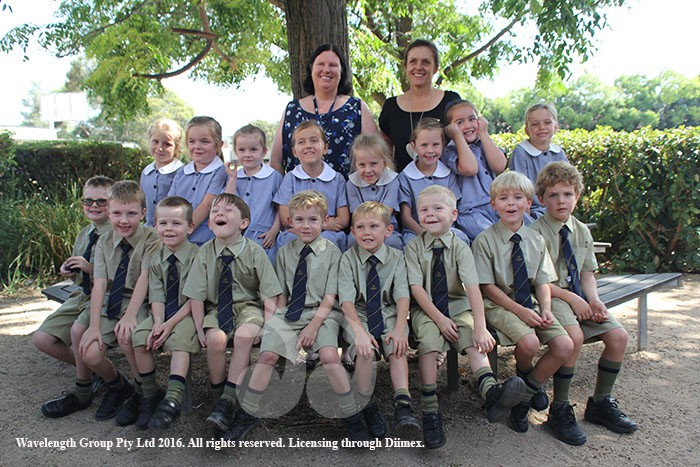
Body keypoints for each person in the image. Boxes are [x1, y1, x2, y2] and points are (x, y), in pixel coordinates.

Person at [224, 191, 369, 442]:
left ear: (324, 221)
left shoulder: (333, 253)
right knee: (268, 355)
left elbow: (330, 297)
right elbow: (279, 294)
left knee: (327, 356)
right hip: (290, 311)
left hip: (322, 314)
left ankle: (352, 416)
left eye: (313, 219)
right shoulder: (284, 252)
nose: (306, 225)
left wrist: (312, 327)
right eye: (299, 219)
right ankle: (247, 414)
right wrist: (272, 325)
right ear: (290, 222)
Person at [405, 185, 526, 449]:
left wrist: (480, 326)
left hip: (458, 305)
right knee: (428, 344)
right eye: (424, 210)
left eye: (438, 208)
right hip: (427, 309)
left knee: (473, 338)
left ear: (454, 214)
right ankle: (430, 410)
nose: (430, 214)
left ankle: (491, 392)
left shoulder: (461, 247)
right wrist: (438, 319)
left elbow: (472, 287)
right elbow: (416, 288)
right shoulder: (413, 248)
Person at [530, 162, 638, 445]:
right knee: (574, 337)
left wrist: (595, 300)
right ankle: (560, 408)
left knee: (618, 336)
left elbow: (587, 273)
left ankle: (601, 402)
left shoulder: (580, 230)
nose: (561, 201)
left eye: (567, 194)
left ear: (577, 196)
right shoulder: (535, 232)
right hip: (551, 295)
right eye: (553, 195)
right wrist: (574, 299)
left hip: (579, 295)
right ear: (541, 199)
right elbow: (537, 282)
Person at [41, 181, 161, 422]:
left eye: (131, 214)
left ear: (143, 213)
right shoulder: (105, 241)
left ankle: (145, 392)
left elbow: (145, 279)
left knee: (128, 336)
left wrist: (129, 316)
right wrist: (94, 326)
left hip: (137, 301)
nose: (123, 220)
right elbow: (100, 285)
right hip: (108, 301)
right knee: (89, 352)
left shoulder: (151, 238)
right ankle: (119, 386)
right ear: (109, 213)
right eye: (117, 213)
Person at [472, 171, 574, 434]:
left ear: (528, 203)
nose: (511, 203)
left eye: (518, 198)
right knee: (529, 342)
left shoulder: (535, 240)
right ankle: (530, 386)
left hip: (531, 304)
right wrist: (521, 311)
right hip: (500, 305)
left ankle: (525, 395)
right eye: (503, 198)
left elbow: (542, 281)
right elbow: (487, 287)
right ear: (493, 204)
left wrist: (547, 309)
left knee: (564, 346)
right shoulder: (485, 240)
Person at [182, 193, 281, 434]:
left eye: (227, 211)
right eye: (215, 211)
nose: (219, 214)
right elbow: (196, 295)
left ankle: (228, 401)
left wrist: (268, 327)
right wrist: (199, 329)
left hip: (250, 308)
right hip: (217, 310)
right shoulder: (204, 252)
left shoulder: (255, 251)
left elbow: (269, 294)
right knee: (215, 340)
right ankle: (220, 399)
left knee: (244, 336)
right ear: (209, 222)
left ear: (244, 223)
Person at [339, 201, 419, 438]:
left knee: (397, 347)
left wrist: (400, 327)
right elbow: (346, 302)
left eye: (374, 226)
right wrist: (360, 333)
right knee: (364, 350)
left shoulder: (396, 258)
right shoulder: (348, 259)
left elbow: (402, 295)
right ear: (353, 232)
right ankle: (365, 404)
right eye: (360, 227)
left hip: (388, 312)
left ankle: (403, 404)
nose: (367, 232)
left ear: (388, 230)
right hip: (357, 315)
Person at [33, 176, 114, 379]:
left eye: (101, 201)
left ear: (112, 204)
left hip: (105, 297)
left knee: (77, 331)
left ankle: (84, 382)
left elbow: (121, 278)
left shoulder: (117, 234)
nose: (93, 205)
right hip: (80, 295)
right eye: (88, 200)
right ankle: (94, 372)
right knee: (42, 339)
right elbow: (79, 270)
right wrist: (69, 269)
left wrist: (90, 269)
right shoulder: (84, 234)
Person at [131, 196, 199, 430]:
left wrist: (169, 325)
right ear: (155, 225)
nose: (169, 229)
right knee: (140, 338)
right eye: (163, 223)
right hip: (163, 312)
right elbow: (157, 294)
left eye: (176, 223)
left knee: (180, 343)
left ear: (190, 227)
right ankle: (149, 397)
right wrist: (158, 322)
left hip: (188, 313)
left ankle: (172, 401)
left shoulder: (197, 256)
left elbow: (195, 298)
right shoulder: (156, 258)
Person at [269, 44, 378, 177]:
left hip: (347, 195)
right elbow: (275, 161)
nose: (326, 70)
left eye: (333, 65)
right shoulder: (292, 110)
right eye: (321, 64)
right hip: (298, 195)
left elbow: (375, 155)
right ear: (311, 68)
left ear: (342, 71)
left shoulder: (356, 107)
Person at [379, 39, 461, 173]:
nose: (418, 67)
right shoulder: (390, 107)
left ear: (435, 68)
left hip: (444, 187)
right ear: (405, 67)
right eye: (413, 61)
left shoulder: (451, 102)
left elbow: (464, 143)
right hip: (404, 189)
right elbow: (385, 153)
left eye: (426, 62)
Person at [273, 120, 349, 251]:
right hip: (298, 230)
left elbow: (343, 219)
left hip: (328, 231)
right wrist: (305, 226)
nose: (308, 146)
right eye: (301, 142)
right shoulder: (290, 178)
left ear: (325, 148)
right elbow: (286, 217)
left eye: (314, 140)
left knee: (330, 242)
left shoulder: (337, 179)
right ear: (295, 152)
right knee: (288, 241)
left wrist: (321, 226)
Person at [441, 100, 507, 241]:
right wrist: (458, 136)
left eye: (472, 119)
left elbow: (499, 166)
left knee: (526, 229)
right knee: (494, 239)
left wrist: (483, 133)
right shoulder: (449, 151)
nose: (468, 125)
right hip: (471, 212)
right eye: (460, 122)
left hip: (497, 205)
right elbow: (470, 169)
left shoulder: (485, 143)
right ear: (450, 128)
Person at [397, 118, 466, 245]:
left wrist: (443, 233)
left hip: (447, 229)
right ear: (414, 147)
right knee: (410, 243)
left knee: (461, 239)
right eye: (424, 145)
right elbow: (406, 217)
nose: (430, 150)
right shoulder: (405, 177)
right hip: (416, 230)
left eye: (435, 144)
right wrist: (425, 235)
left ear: (443, 145)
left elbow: (454, 209)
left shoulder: (448, 175)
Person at [225, 124, 283, 263]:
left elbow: (281, 208)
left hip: (263, 237)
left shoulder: (273, 177)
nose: (247, 154)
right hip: (237, 236)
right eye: (242, 150)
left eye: (253, 149)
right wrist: (232, 179)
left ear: (263, 151)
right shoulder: (234, 176)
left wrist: (274, 231)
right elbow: (227, 202)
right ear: (236, 152)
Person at [168, 116, 228, 245]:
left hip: (204, 240)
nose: (197, 146)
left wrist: (183, 231)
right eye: (192, 141)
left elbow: (207, 205)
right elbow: (170, 203)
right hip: (177, 238)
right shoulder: (182, 172)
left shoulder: (220, 172)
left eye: (204, 141)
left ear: (218, 145)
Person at [508, 103, 569, 220]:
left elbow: (569, 183)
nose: (542, 127)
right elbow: (519, 187)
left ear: (556, 126)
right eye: (535, 124)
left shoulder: (558, 153)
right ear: (527, 130)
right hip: (533, 211)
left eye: (547, 122)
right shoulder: (521, 152)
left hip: (558, 207)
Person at [345, 135, 403, 250]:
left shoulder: (392, 181)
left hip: (386, 229)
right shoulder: (351, 183)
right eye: (362, 165)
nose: (368, 170)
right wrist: (367, 232)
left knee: (394, 242)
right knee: (352, 241)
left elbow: (386, 212)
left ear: (384, 163)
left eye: (373, 164)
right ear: (355, 165)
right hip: (361, 229)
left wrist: (375, 232)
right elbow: (357, 215)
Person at [140, 118, 184, 227]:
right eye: (155, 142)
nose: (160, 148)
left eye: (167, 144)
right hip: (149, 229)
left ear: (176, 148)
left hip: (172, 230)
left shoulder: (181, 172)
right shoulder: (146, 172)